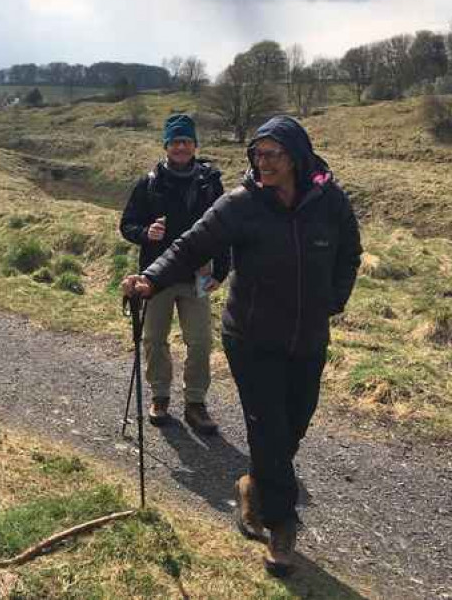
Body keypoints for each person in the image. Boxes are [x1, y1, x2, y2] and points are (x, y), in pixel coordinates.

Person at [121, 116, 361, 576]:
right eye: (258, 154)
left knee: (294, 422)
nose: (262, 162)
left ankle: (254, 484)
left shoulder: (328, 200)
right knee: (269, 425)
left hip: (309, 336)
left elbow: (350, 251)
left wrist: (332, 301)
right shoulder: (242, 204)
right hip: (251, 338)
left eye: (272, 154)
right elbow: (191, 246)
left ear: (297, 156)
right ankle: (282, 525)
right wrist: (150, 278)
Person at [119, 113, 229, 434]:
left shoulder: (210, 183)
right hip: (156, 277)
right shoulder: (149, 183)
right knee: (154, 338)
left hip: (198, 276)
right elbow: (126, 224)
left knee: (200, 341)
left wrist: (221, 271)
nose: (181, 147)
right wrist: (145, 233)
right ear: (166, 145)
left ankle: (195, 402)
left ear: (195, 145)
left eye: (186, 141)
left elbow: (225, 229)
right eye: (175, 141)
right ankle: (160, 396)